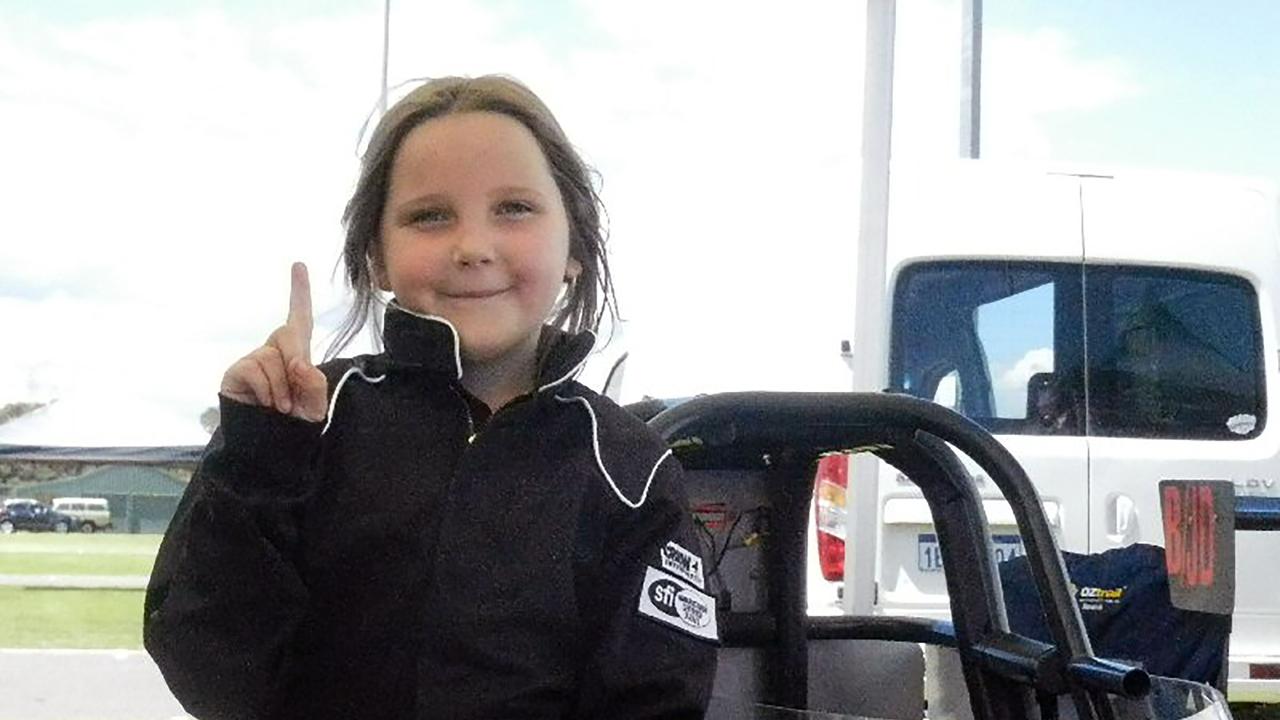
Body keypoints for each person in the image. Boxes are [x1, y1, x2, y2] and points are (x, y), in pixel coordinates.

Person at [144, 75, 718, 720]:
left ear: (574, 250)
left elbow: (656, 699)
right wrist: (260, 460)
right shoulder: (302, 425)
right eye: (429, 215)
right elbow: (210, 673)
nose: (472, 248)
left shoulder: (631, 469)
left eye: (515, 208)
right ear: (376, 258)